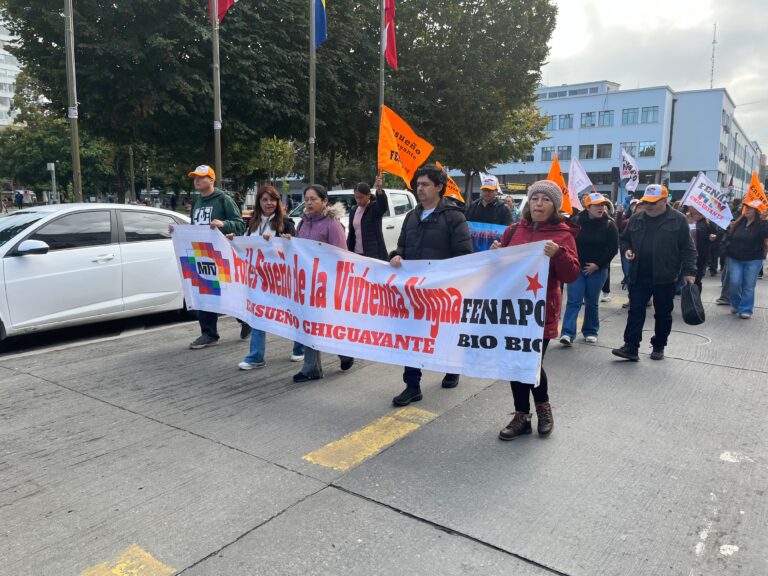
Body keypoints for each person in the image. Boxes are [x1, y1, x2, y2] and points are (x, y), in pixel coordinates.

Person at [491, 180, 580, 440]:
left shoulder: (563, 235)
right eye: (534, 198)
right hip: (512, 310)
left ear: (555, 206)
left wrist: (559, 254)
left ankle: (543, 409)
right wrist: (497, 253)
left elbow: (571, 275)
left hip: (540, 312)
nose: (539, 204)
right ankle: (522, 416)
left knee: (531, 362)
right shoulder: (513, 230)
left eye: (546, 199)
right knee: (514, 363)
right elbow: (501, 270)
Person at [389, 164, 473, 406]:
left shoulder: (454, 217)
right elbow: (402, 247)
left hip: (442, 291)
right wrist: (396, 256)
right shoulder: (411, 216)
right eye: (418, 184)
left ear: (438, 187)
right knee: (412, 335)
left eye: (425, 184)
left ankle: (452, 367)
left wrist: (447, 277)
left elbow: (463, 254)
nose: (419, 188)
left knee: (444, 332)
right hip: (415, 290)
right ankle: (412, 385)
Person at [612, 185, 696, 362]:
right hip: (639, 274)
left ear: (664, 201)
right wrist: (627, 250)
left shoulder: (678, 220)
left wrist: (689, 272)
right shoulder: (636, 218)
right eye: (646, 202)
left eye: (652, 202)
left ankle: (659, 345)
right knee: (635, 311)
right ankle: (631, 347)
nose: (648, 206)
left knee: (663, 314)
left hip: (665, 277)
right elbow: (624, 239)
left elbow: (688, 249)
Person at [236, 185, 305, 369]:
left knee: (292, 313)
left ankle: (300, 348)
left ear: (278, 202)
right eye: (265, 199)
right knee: (258, 314)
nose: (269, 203)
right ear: (258, 202)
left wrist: (286, 240)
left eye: (272, 199)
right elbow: (245, 247)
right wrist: (233, 240)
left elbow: (295, 250)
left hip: (282, 279)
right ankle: (255, 356)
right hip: (259, 279)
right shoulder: (252, 223)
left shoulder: (287, 224)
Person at [292, 185, 355, 382]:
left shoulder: (332, 225)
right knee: (309, 323)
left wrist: (334, 283)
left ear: (324, 201)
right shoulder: (302, 223)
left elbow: (341, 256)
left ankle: (343, 353)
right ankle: (313, 367)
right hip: (306, 283)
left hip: (325, 284)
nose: (309, 203)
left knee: (326, 323)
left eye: (313, 199)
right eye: (306, 199)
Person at [181, 165, 246, 349]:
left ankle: (245, 319)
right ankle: (209, 334)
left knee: (227, 292)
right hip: (202, 255)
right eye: (195, 177)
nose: (197, 181)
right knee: (204, 292)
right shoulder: (197, 202)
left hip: (221, 256)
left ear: (211, 180)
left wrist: (223, 224)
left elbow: (240, 225)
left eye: (201, 177)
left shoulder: (224, 199)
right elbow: (195, 228)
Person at [560, 193, 618, 345]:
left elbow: (613, 249)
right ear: (587, 207)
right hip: (576, 268)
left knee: (592, 302)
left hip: (598, 270)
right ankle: (567, 333)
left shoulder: (609, 224)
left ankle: (591, 331)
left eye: (603, 205)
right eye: (597, 205)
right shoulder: (575, 221)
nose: (601, 208)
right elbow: (568, 242)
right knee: (574, 301)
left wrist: (597, 265)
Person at [724, 201, 768, 319]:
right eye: (746, 208)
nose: (747, 210)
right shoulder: (739, 222)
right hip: (735, 258)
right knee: (734, 282)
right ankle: (735, 303)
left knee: (748, 285)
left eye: (750, 208)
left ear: (756, 211)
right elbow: (729, 235)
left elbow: (765, 234)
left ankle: (745, 309)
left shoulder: (762, 224)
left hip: (753, 259)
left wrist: (764, 220)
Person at [346, 176, 389, 260]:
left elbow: (383, 206)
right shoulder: (354, 210)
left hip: (372, 255)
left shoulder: (374, 208)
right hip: (356, 254)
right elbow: (351, 234)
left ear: (368, 195)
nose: (358, 200)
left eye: (361, 197)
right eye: (356, 197)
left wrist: (379, 190)